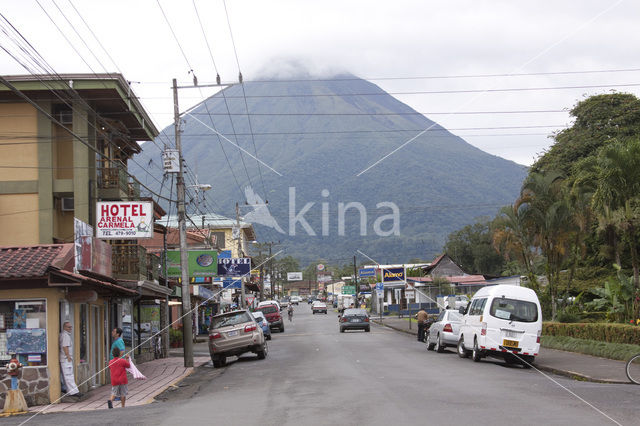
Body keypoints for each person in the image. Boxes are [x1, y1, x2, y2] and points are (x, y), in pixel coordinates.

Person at [59, 321, 80, 397]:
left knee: (68, 375)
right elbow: (65, 346)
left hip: (65, 359)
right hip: (65, 359)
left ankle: (72, 390)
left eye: (71, 327)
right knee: (68, 375)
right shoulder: (65, 335)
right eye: (68, 327)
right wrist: (68, 356)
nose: (70, 328)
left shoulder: (64, 335)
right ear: (64, 327)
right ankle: (73, 392)